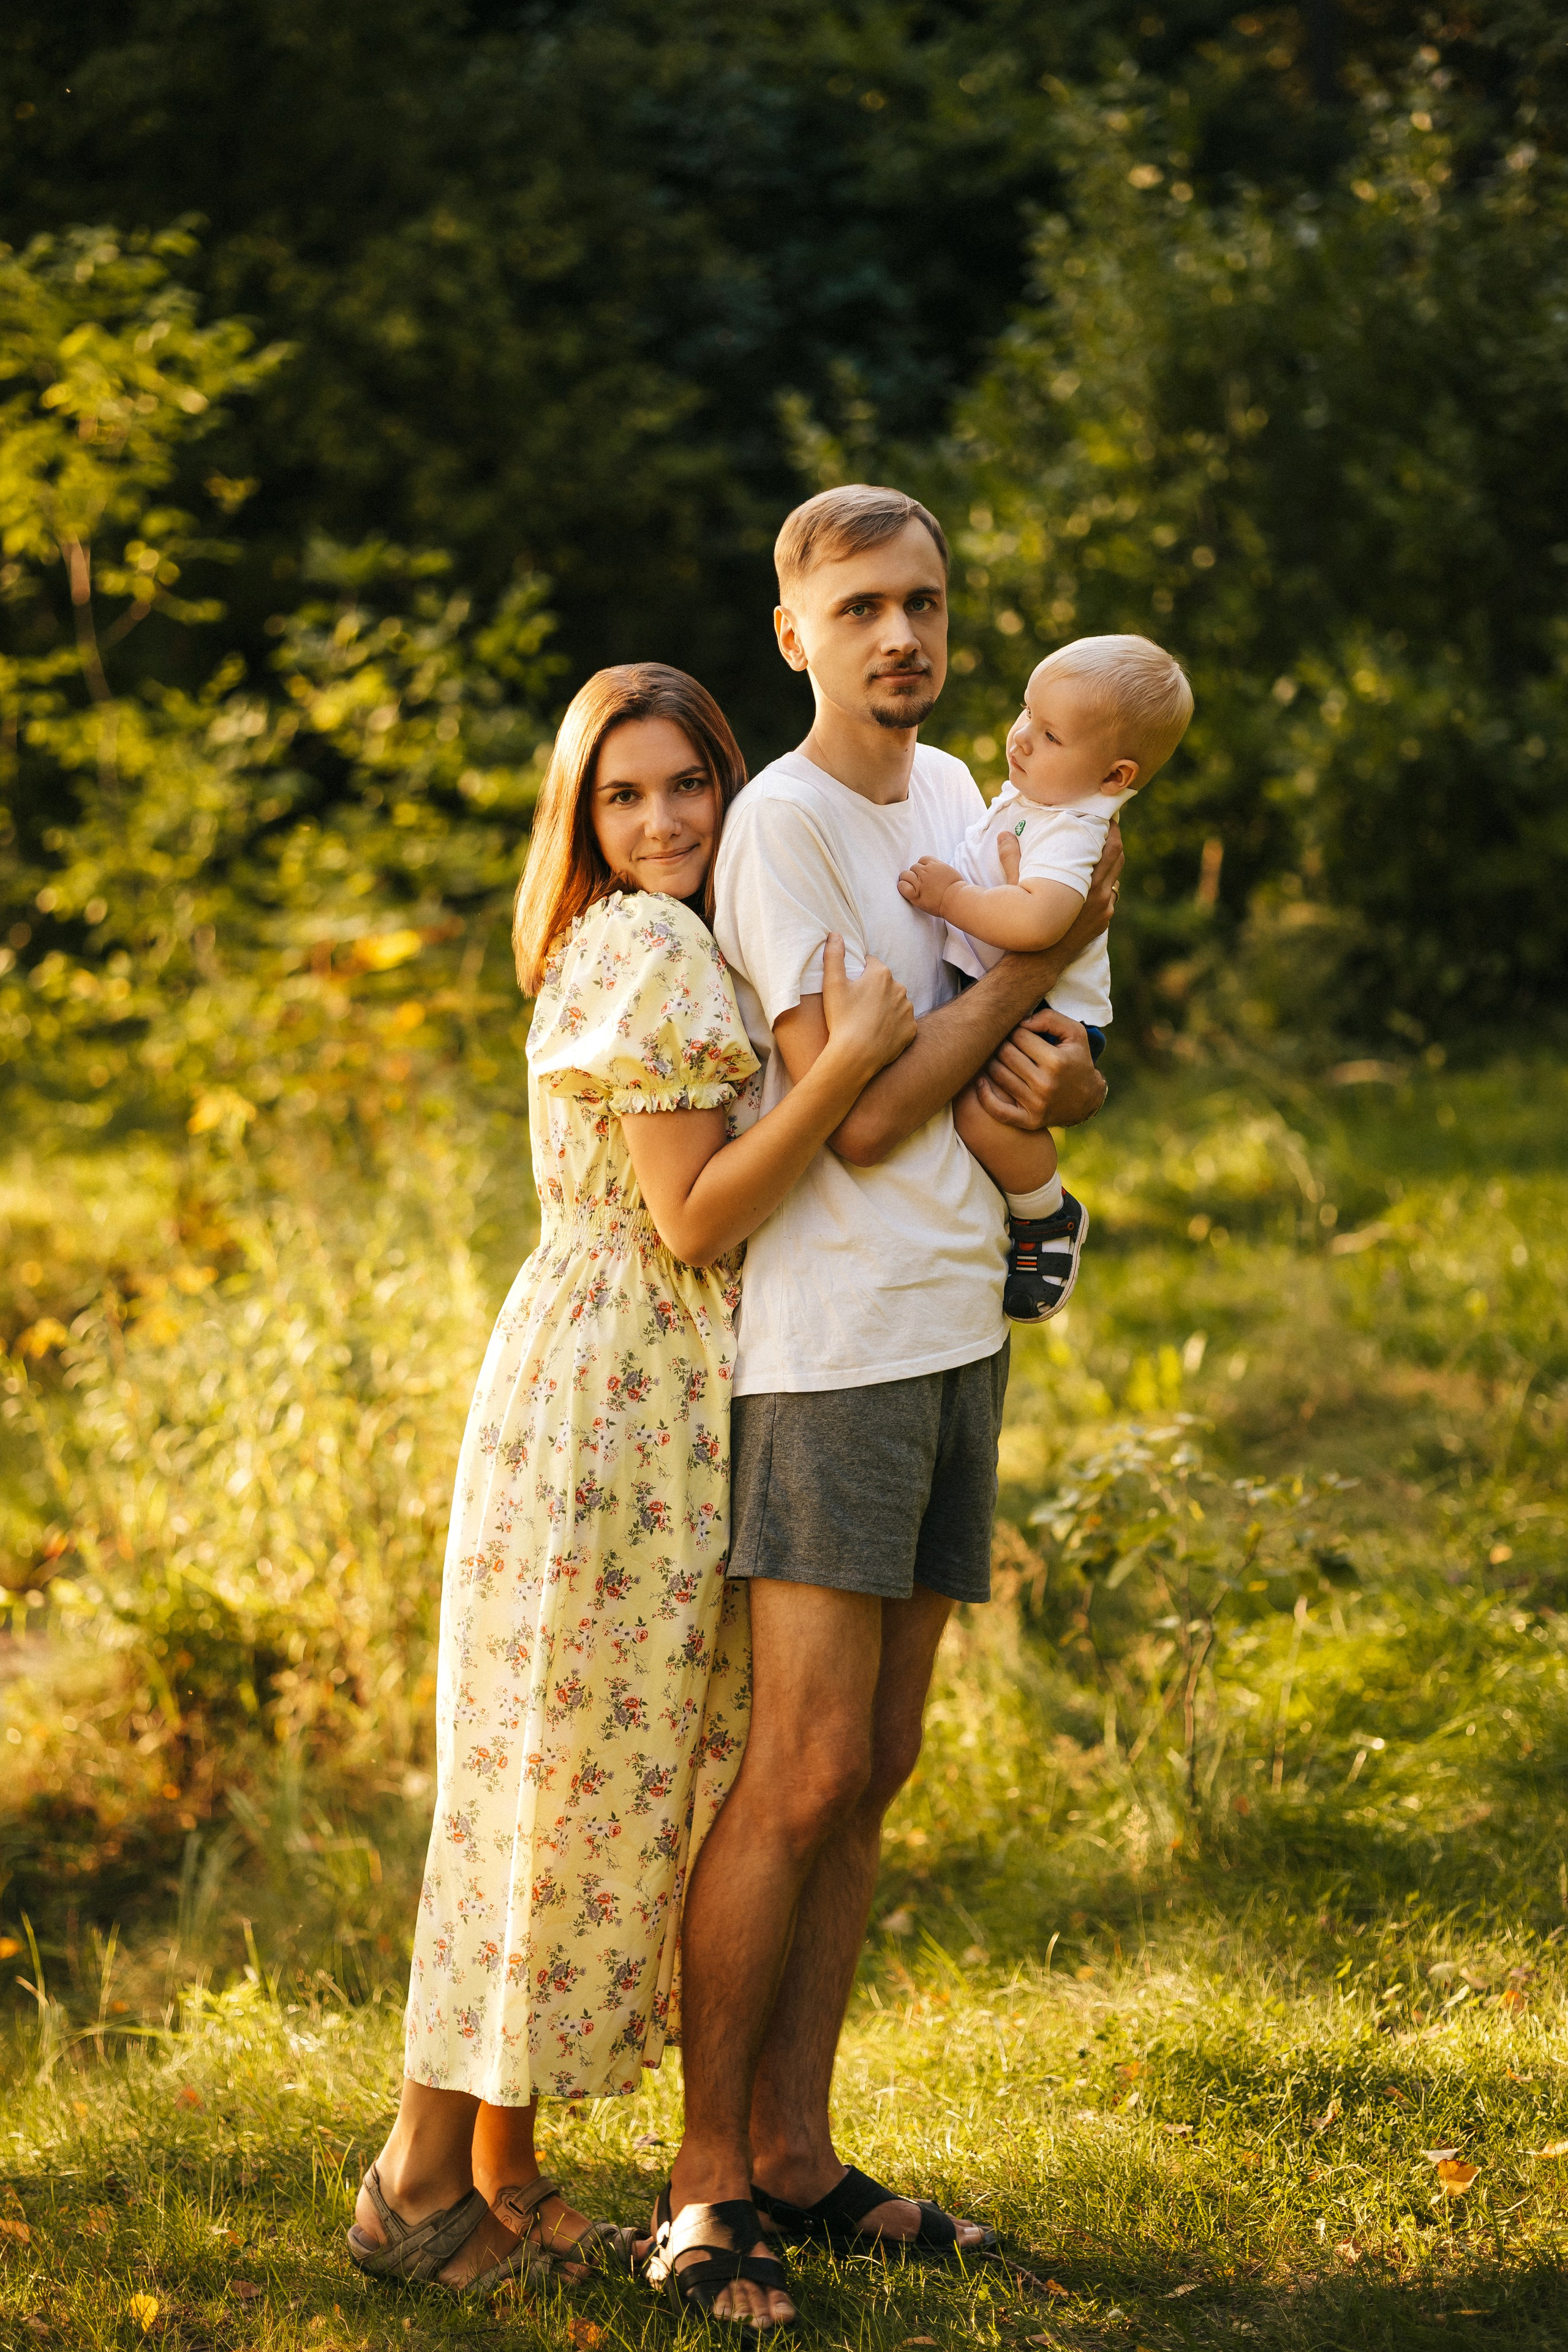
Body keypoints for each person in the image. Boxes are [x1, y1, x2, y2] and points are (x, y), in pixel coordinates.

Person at [347, 662, 914, 2304]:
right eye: (625, 795)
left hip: (632, 1395)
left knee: (564, 1780)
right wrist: (844, 1058)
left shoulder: (675, 941)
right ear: (580, 823)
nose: (665, 820)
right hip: (614, 1409)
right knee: (548, 1789)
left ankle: (498, 2175)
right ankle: (414, 2184)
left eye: (690, 785)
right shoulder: (646, 946)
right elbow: (691, 1215)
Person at [645, 486, 1121, 2335]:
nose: (901, 637)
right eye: (860, 607)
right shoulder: (779, 824)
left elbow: (1029, 1064)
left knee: (884, 1764)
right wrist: (1030, 953)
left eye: (923, 603)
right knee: (804, 1765)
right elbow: (850, 1109)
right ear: (795, 632)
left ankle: (797, 2154)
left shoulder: (956, 803)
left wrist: (1055, 1069)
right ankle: (701, 2184)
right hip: (832, 1341)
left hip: (955, 1320)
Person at [899, 633, 1193, 1321]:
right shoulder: (1035, 802)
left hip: (1048, 1021)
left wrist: (949, 900)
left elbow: (1038, 925)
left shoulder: (1074, 830)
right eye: (1026, 712)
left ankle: (1047, 1217)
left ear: (1114, 777)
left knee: (979, 1111)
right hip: (1012, 1005)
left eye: (1051, 734)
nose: (1022, 738)